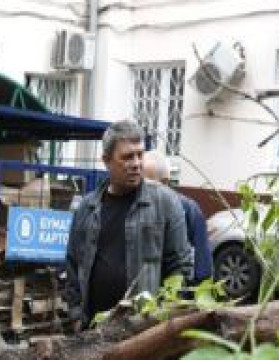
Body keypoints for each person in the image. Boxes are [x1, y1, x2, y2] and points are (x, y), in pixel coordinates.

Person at [63, 119, 194, 328]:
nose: (136, 163)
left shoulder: (165, 203)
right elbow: (72, 266)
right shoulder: (87, 208)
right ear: (106, 160)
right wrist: (76, 316)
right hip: (93, 331)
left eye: (140, 154)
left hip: (143, 331)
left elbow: (181, 268)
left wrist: (161, 319)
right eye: (127, 157)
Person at [142, 150, 212, 284]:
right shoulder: (134, 208)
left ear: (165, 182)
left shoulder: (189, 210)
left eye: (149, 185)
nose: (142, 191)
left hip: (173, 295)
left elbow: (202, 268)